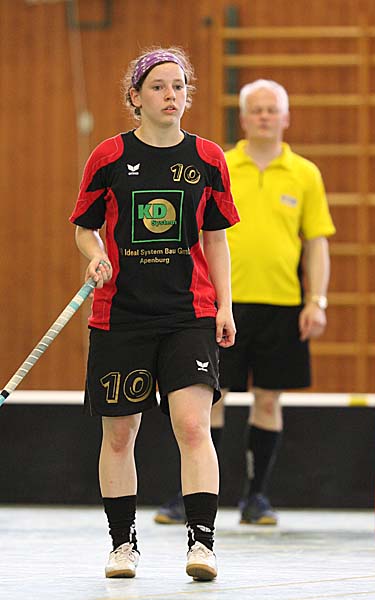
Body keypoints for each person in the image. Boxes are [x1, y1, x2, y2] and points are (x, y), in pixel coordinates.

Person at [69, 46, 239, 581]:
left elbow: (216, 239)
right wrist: (96, 254)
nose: (171, 95)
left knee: (192, 425)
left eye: (179, 86)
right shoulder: (109, 156)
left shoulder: (208, 158)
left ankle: (202, 543)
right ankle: (123, 545)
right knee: (120, 435)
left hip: (189, 314)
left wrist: (225, 305)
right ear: (135, 97)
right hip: (120, 317)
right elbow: (85, 227)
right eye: (159, 87)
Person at [155, 78, 335, 526]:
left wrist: (316, 300)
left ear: (285, 117)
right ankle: (193, 497)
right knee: (209, 400)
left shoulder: (305, 174)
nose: (264, 117)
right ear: (244, 118)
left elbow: (316, 243)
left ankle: (257, 499)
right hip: (221, 304)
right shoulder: (219, 164)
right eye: (256, 110)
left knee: (268, 401)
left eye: (272, 110)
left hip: (282, 304)